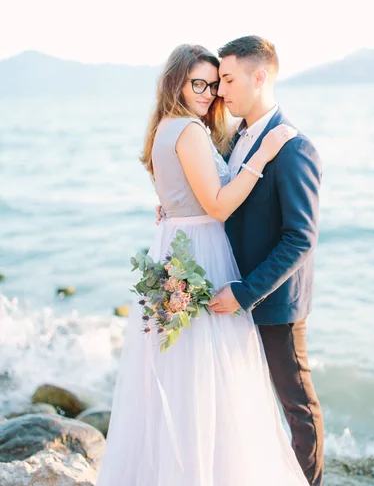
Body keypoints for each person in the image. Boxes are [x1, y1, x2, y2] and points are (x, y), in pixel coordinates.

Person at [96, 43, 309, 486]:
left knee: (184, 375)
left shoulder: (166, 129)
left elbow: (178, 196)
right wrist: (263, 154)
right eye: (200, 83)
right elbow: (216, 206)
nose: (209, 93)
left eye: (215, 85)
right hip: (202, 252)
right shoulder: (189, 131)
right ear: (177, 81)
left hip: (179, 243)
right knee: (214, 377)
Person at [209, 35, 324, 486]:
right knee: (244, 397)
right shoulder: (234, 138)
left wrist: (244, 292)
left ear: (260, 77)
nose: (221, 91)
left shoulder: (295, 148)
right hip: (230, 295)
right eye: (219, 81)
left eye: (229, 79)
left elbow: (300, 239)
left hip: (272, 302)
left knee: (296, 403)